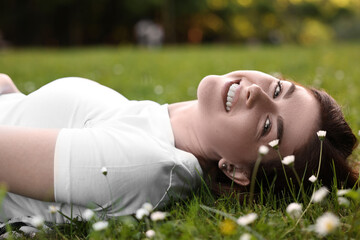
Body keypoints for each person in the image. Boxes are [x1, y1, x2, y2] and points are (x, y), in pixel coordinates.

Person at [0, 71, 357, 224]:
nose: (258, 93)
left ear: (235, 170)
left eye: (267, 126)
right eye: (279, 89)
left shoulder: (143, 166)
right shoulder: (157, 126)